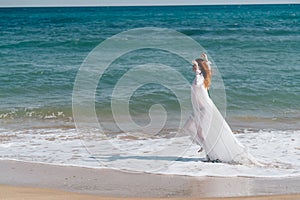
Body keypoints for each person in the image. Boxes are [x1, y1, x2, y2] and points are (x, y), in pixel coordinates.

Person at [183, 53, 258, 164]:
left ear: (198, 68)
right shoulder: (203, 76)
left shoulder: (201, 78)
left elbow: (199, 81)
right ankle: (205, 146)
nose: (192, 67)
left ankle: (210, 153)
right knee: (188, 127)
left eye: (194, 65)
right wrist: (206, 60)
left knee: (201, 131)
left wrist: (199, 68)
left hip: (204, 109)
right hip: (197, 110)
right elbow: (208, 69)